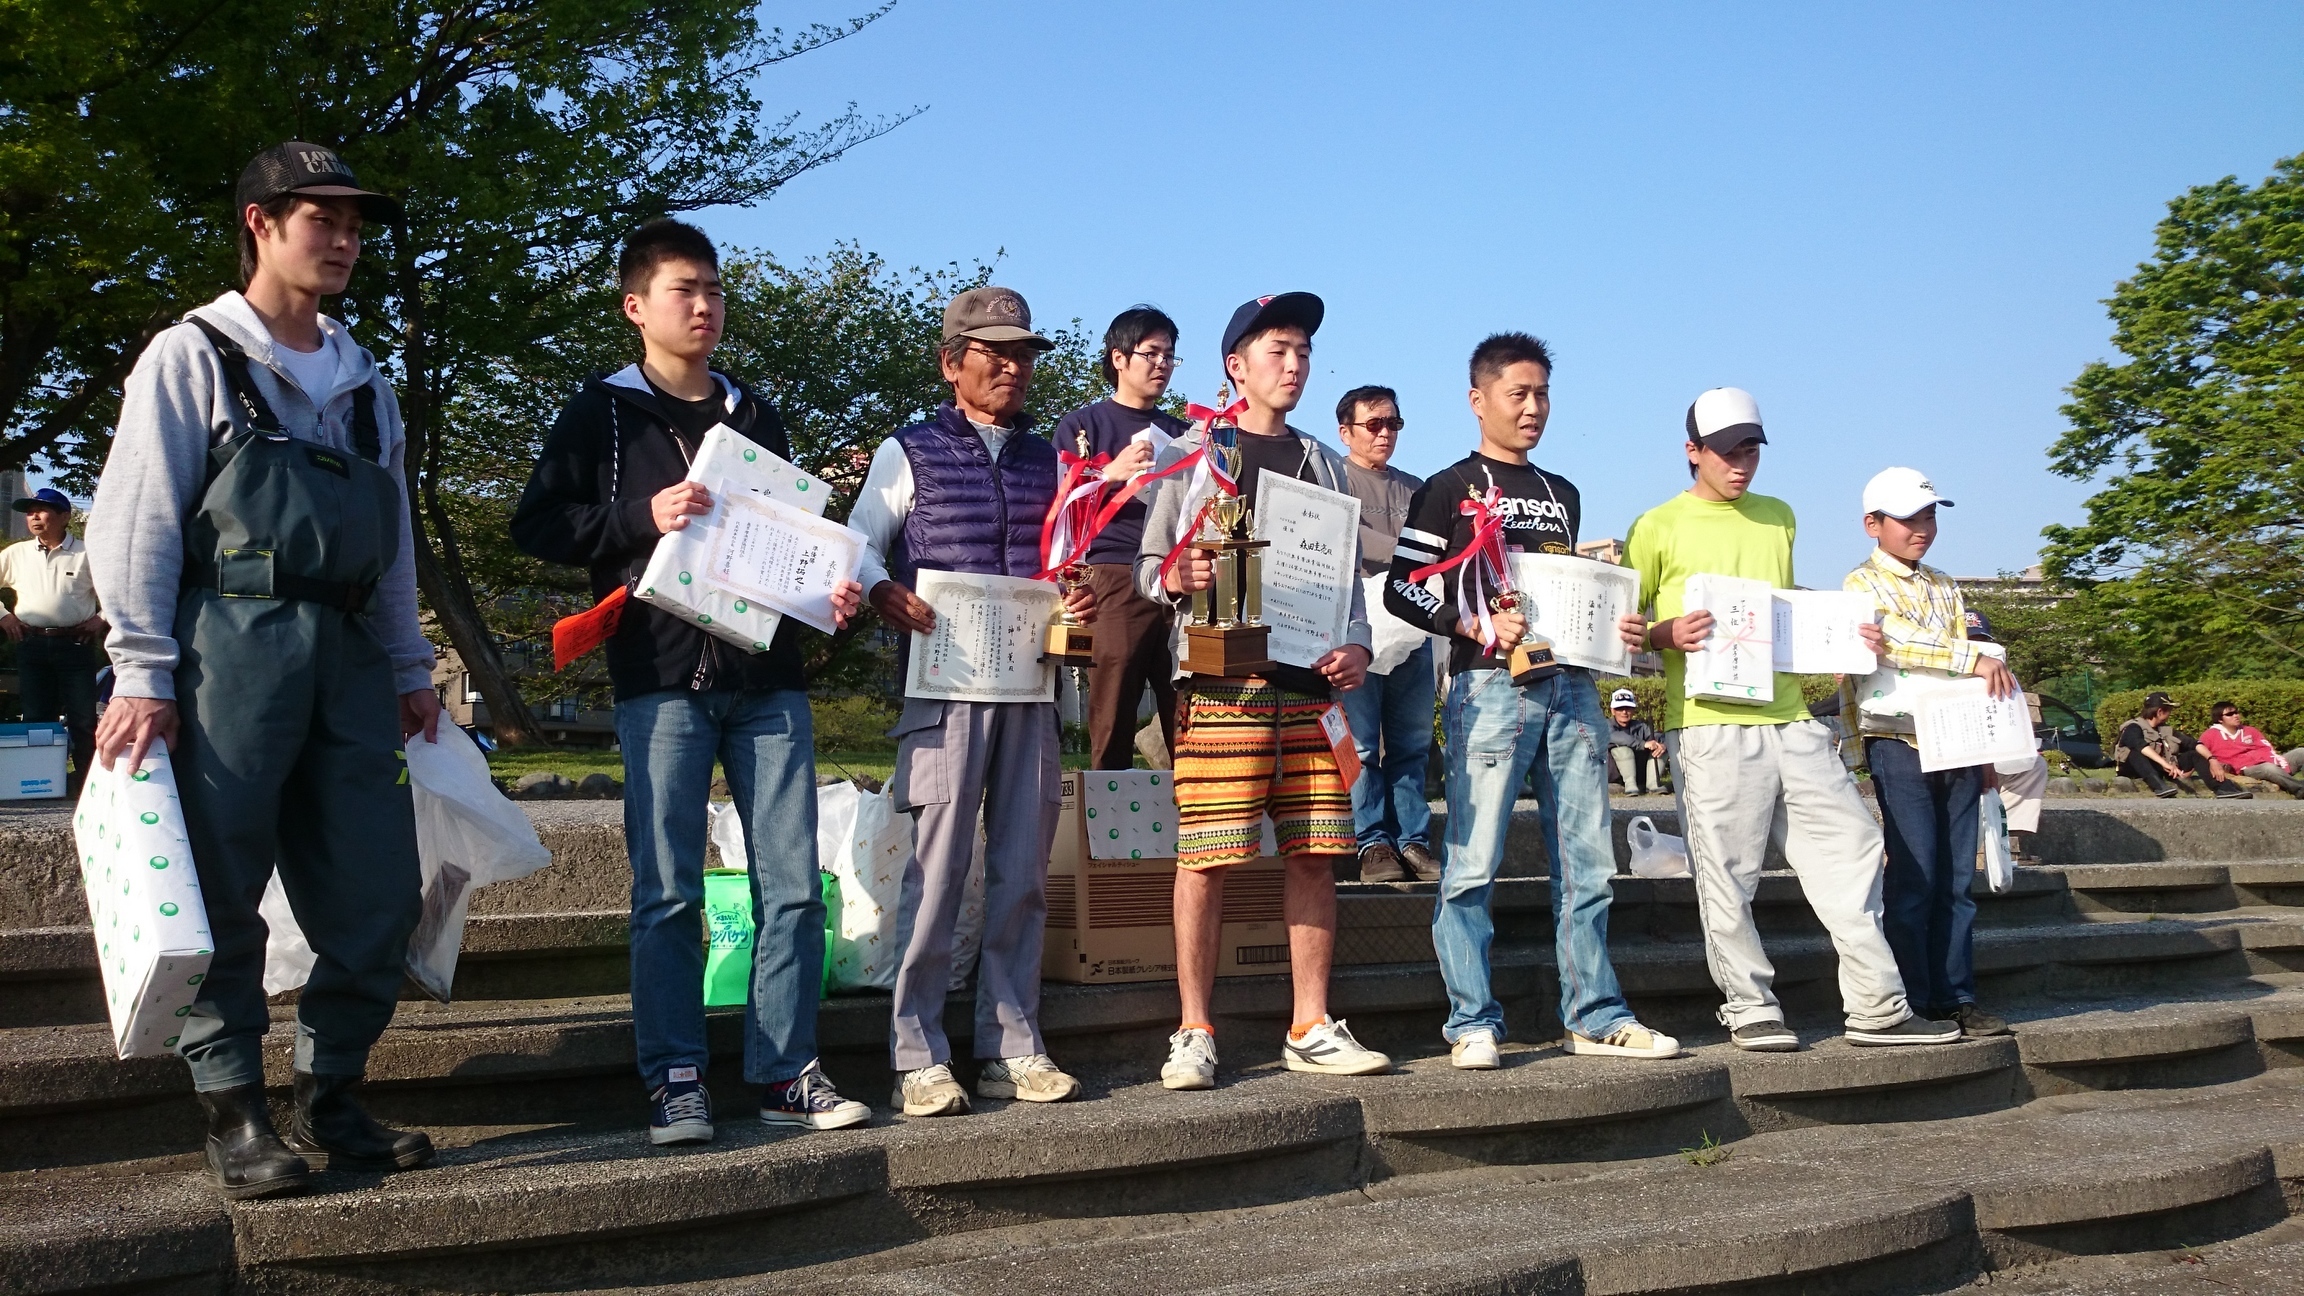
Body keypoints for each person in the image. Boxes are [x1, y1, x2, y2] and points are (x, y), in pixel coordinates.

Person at [86, 142, 440, 1200]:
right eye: (321, 220)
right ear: (260, 223)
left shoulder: (368, 384)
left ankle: (333, 1092)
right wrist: (141, 669)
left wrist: (411, 662)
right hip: (226, 648)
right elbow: (138, 520)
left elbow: (394, 540)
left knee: (380, 889)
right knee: (220, 882)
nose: (344, 241)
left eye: (354, 225)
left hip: (351, 656)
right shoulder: (190, 355)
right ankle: (234, 1108)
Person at [511, 218, 871, 1145]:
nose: (705, 305)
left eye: (713, 289)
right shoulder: (602, 411)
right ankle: (676, 1077)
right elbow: (538, 524)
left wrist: (824, 585)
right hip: (661, 677)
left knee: (793, 886)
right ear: (636, 307)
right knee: (667, 890)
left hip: (768, 677)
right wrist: (643, 514)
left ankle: (787, 1071)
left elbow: (784, 534)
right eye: (685, 290)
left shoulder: (753, 412)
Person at [1625, 388, 1958, 1051]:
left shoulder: (1779, 516)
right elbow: (1625, 630)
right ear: (1693, 451)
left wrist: (1844, 641)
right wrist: (1667, 634)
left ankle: (1878, 1007)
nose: (1741, 463)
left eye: (1751, 449)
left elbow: (1781, 618)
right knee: (1726, 873)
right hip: (1708, 723)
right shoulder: (1655, 526)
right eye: (1727, 451)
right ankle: (1750, 1006)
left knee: (1853, 848)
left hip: (1790, 716)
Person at [1388, 332, 1679, 1068]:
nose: (1533, 408)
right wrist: (1469, 621)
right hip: (1489, 688)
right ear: (1477, 399)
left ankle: (1596, 1014)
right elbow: (1401, 585)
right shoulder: (1448, 487)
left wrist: (1617, 626)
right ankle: (1472, 1020)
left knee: (1588, 864)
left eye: (1543, 394)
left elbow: (1568, 592)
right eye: (1518, 393)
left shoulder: (1562, 493)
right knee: (1472, 863)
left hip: (1573, 685)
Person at [850, 286, 1096, 1117]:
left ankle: (1012, 1045)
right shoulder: (908, 450)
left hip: (1030, 687)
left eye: (1023, 354)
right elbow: (859, 547)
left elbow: (1070, 562)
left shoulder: (1053, 461)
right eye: (995, 353)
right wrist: (881, 591)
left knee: (1023, 871)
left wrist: (1076, 595)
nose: (1013, 368)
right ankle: (916, 1054)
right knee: (938, 869)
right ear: (951, 363)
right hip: (943, 689)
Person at [1136, 292, 1387, 1089]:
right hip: (1222, 683)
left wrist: (1358, 643)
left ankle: (1310, 1023)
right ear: (1235, 365)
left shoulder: (1323, 462)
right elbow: (1147, 568)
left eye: (1304, 351)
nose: (1295, 364)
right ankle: (1193, 1028)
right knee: (1206, 855)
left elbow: (1347, 576)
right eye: (1278, 349)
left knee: (1316, 852)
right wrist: (1175, 575)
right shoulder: (1193, 450)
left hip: (1310, 685)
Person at [1843, 467, 2014, 1038]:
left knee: (1957, 877)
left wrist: (1988, 754)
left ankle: (1955, 995)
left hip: (1958, 737)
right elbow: (1894, 640)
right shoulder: (1859, 583)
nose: (1922, 528)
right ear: (1872, 525)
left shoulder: (1944, 583)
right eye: (1908, 519)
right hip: (1898, 741)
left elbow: (1950, 653)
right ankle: (1911, 998)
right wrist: (1971, 658)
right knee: (1915, 875)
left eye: (1930, 516)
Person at [1051, 307, 1190, 770]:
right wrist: (1107, 474)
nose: (1162, 365)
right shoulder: (1081, 426)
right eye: (1151, 353)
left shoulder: (1185, 434)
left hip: (1177, 577)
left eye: (1170, 355)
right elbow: (1056, 506)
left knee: (1188, 709)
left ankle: (1197, 806)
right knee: (1112, 708)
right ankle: (1104, 810)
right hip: (1112, 574)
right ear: (1118, 358)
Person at [1334, 384, 1438, 884]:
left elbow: (1440, 547)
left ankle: (1414, 841)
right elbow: (1343, 536)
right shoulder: (1332, 478)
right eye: (1373, 424)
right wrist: (1407, 551)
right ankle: (1372, 843)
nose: (1385, 434)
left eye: (1393, 424)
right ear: (1345, 432)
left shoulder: (1418, 489)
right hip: (1356, 627)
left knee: (1412, 743)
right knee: (1361, 745)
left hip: (1414, 628)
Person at [0, 488, 105, 784]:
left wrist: (101, 618)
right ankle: (40, 781)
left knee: (83, 718)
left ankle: (87, 783)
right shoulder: (16, 554)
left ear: (64, 516)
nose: (33, 516)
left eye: (41, 510)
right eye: (29, 512)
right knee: (36, 718)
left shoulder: (87, 553)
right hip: (31, 643)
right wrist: (4, 616)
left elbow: (118, 592)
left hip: (76, 644)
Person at [2115, 693, 2244, 798]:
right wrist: (2165, 764)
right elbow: (2141, 746)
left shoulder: (2166, 730)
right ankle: (2159, 786)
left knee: (2194, 754)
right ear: (2160, 711)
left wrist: (2212, 759)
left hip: (2161, 767)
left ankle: (2224, 788)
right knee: (2136, 753)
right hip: (2134, 768)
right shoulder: (2133, 727)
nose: (2170, 714)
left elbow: (2193, 744)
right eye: (2169, 710)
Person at [2197, 701, 2304, 798]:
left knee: (2301, 752)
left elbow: (2267, 748)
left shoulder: (2250, 730)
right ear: (2220, 719)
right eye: (2230, 714)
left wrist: (2276, 761)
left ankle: (2287, 780)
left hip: (2268, 760)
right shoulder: (2210, 735)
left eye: (2236, 712)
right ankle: (2299, 789)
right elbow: (2199, 753)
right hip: (2245, 768)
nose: (2235, 716)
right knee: (2268, 768)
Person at [1605, 688, 1667, 796]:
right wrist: (1643, 744)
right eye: (1620, 708)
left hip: (1639, 775)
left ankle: (1653, 785)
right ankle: (1629, 785)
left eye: (1628, 708)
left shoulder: (1640, 726)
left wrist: (1663, 745)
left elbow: (1658, 736)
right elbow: (1618, 737)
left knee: (1660, 749)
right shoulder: (1606, 725)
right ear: (1613, 711)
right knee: (1623, 750)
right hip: (1613, 776)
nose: (1624, 712)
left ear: (1633, 710)